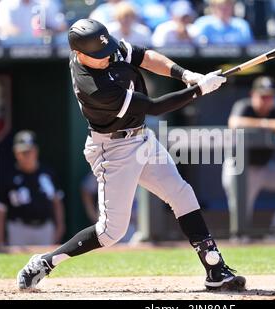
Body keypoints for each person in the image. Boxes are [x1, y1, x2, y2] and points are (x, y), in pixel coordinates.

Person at [16, 18, 246, 292]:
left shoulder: (101, 48)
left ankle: (214, 266)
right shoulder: (94, 87)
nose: (106, 57)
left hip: (142, 137)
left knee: (182, 193)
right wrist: (198, 90)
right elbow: (155, 107)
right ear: (79, 54)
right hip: (114, 150)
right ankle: (46, 262)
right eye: (98, 56)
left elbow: (144, 56)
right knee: (111, 232)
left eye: (106, 50)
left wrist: (186, 75)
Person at [222, 76, 275, 239]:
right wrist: (267, 124)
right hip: (238, 168)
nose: (266, 100)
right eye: (262, 96)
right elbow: (234, 122)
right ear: (253, 95)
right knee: (241, 217)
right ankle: (239, 240)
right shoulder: (244, 106)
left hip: (263, 169)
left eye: (270, 96)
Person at [0, 130, 65, 249]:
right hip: (18, 229)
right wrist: (0, 241)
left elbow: (57, 202)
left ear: (36, 151)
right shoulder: (8, 177)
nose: (27, 155)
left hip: (45, 228)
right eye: (23, 152)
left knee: (46, 264)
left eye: (29, 151)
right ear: (16, 153)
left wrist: (60, 227)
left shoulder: (47, 173)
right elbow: (0, 211)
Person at [80, 172, 137, 242]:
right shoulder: (108, 167)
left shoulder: (139, 167)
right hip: (109, 223)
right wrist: (92, 215)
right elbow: (86, 189)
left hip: (134, 225)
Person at [0, 0, 67, 45]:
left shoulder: (45, 3)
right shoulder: (6, 3)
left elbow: (61, 26)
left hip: (39, 48)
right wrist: (28, 37)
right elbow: (3, 27)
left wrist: (49, 32)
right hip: (12, 46)